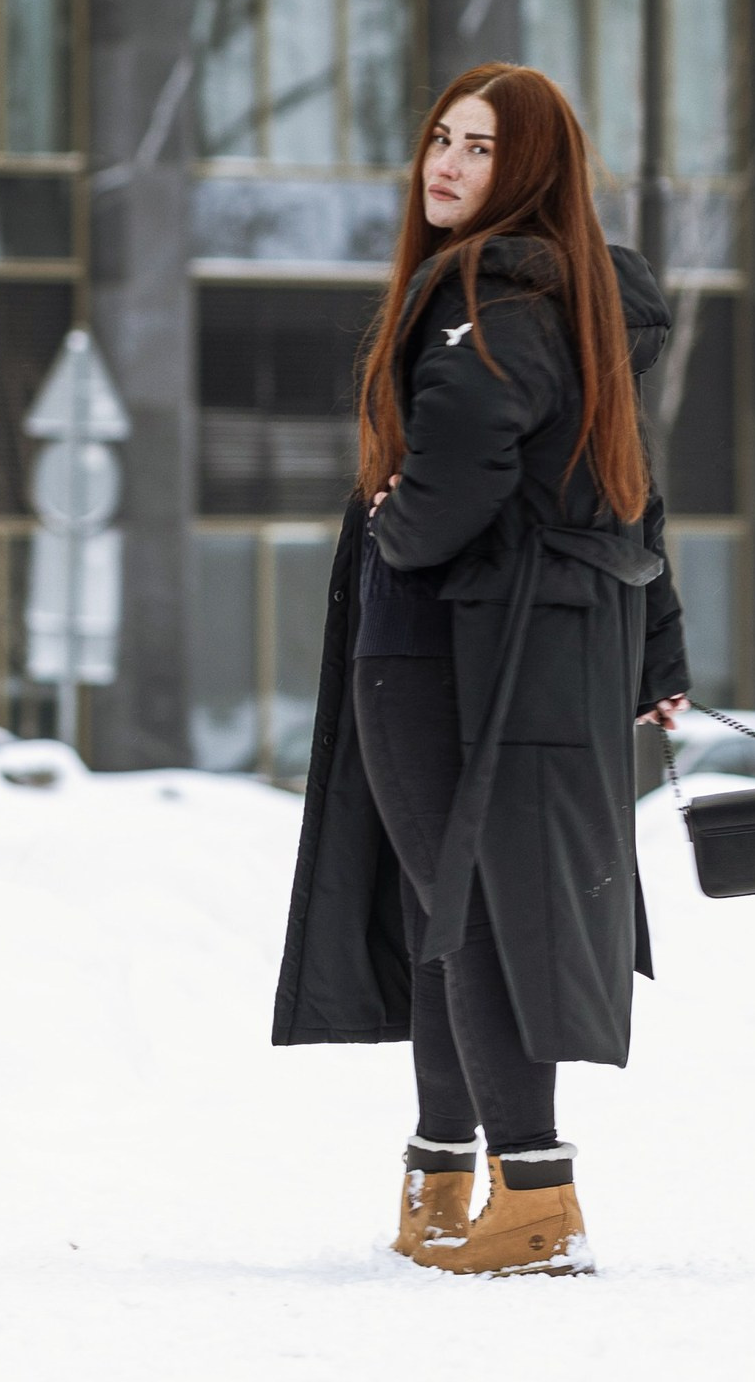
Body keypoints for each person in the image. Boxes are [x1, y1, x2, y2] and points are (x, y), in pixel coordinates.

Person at [271, 64, 690, 1277]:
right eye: (439, 140)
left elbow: (457, 472)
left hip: (444, 646)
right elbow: (625, 488)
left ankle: (532, 1195)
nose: (444, 165)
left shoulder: (485, 299)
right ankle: (444, 1174)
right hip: (541, 643)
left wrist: (398, 533)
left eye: (480, 148)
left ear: (535, 172)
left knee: (465, 912)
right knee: (446, 906)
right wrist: (657, 642)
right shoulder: (577, 306)